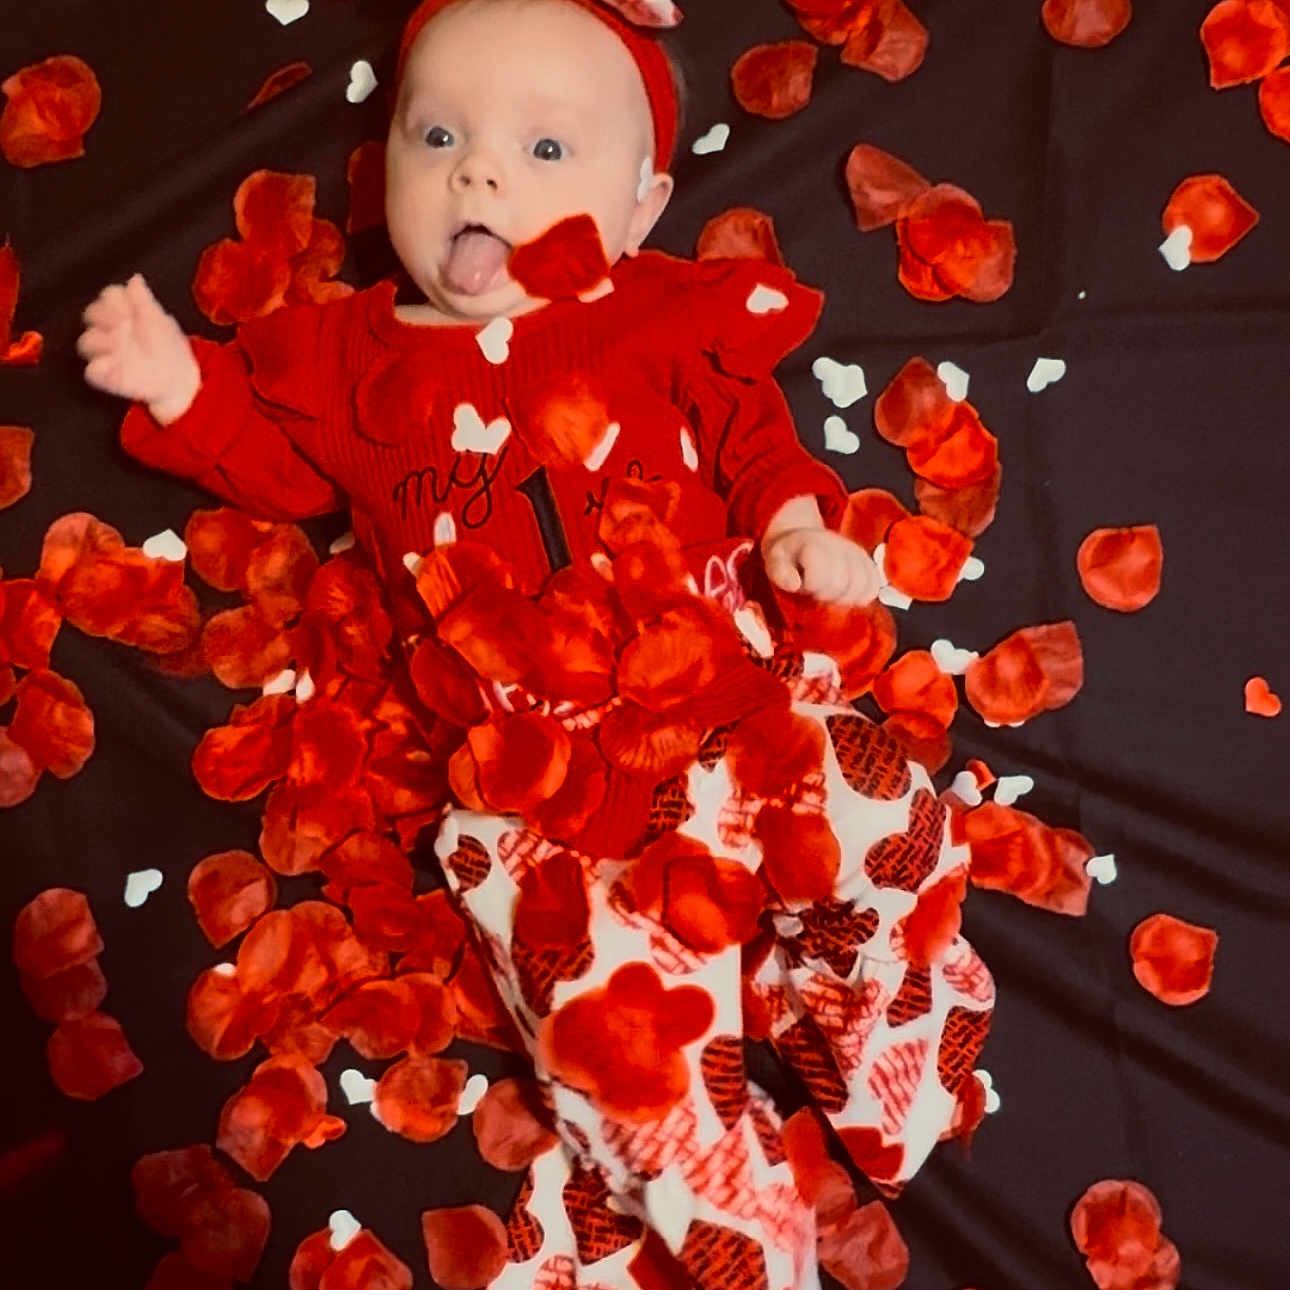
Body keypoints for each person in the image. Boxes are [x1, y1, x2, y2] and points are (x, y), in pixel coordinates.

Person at [77, 1, 994, 1286]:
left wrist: (797, 528)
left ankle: (862, 1013)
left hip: (724, 708)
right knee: (573, 987)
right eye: (438, 132)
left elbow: (750, 437)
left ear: (641, 204)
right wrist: (181, 387)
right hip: (530, 790)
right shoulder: (356, 356)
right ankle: (705, 1179)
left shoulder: (655, 314)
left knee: (875, 795)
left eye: (545, 150)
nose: (481, 170)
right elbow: (283, 468)